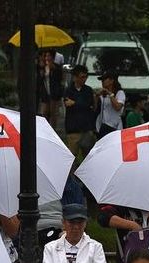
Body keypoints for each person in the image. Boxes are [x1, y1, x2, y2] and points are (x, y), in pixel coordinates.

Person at [62, 64, 96, 206]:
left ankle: (89, 188)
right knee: (72, 159)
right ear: (75, 77)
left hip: (86, 128)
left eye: (85, 76)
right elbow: (67, 104)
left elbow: (88, 104)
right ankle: (73, 186)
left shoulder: (88, 90)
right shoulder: (68, 90)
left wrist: (75, 103)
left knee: (89, 159)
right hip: (73, 130)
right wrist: (79, 105)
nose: (84, 79)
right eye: (81, 77)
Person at [95, 71, 126, 138]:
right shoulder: (102, 94)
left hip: (115, 127)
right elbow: (94, 108)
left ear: (112, 81)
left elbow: (117, 107)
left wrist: (110, 94)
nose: (102, 82)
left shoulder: (120, 93)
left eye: (104, 80)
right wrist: (96, 96)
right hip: (103, 127)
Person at [37, 50, 63, 129]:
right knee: (45, 112)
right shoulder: (42, 67)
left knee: (53, 113)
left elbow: (59, 80)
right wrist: (41, 71)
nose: (47, 58)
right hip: (45, 92)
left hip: (53, 93)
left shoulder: (56, 67)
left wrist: (53, 69)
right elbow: (39, 80)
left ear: (53, 57)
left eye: (49, 56)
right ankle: (46, 128)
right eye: (46, 56)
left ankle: (53, 130)